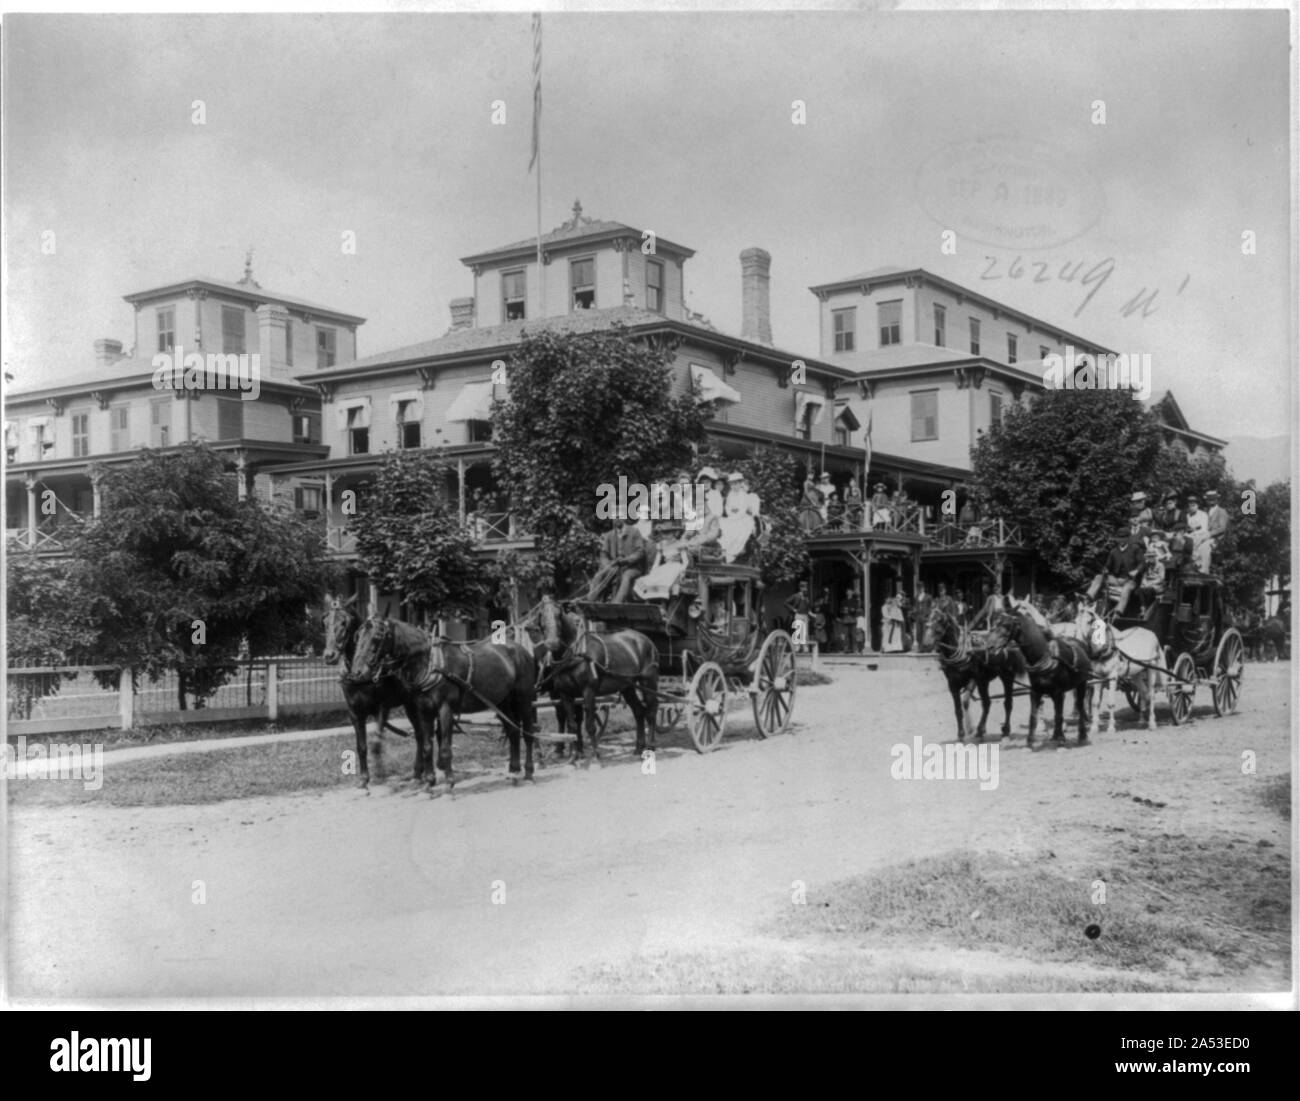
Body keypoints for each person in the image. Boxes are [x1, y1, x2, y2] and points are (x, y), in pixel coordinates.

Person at [587, 515, 651, 603]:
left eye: (619, 516)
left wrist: (626, 560)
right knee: (599, 575)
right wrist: (607, 564)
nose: (616, 519)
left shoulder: (634, 532)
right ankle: (590, 602)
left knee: (626, 576)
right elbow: (603, 554)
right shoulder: (609, 535)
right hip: (615, 567)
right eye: (614, 517)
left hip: (633, 567)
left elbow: (640, 552)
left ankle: (616, 603)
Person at [1084, 526, 1147, 615]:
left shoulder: (1135, 549)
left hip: (1129, 580)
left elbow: (1142, 563)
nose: (1121, 540)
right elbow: (1108, 566)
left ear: (1128, 538)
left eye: (1124, 538)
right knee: (1099, 577)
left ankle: (1118, 612)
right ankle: (1088, 597)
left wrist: (1136, 571)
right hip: (1116, 579)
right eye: (1119, 538)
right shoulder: (1114, 552)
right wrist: (1105, 570)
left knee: (1126, 589)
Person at [719, 471, 761, 563]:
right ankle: (723, 551)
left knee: (740, 531)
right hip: (732, 517)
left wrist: (736, 514)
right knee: (723, 525)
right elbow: (727, 507)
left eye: (736, 484)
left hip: (743, 518)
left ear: (740, 483)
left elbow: (743, 508)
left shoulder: (744, 495)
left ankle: (731, 554)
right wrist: (731, 513)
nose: (734, 486)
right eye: (732, 484)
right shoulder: (730, 495)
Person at [1185, 493, 1211, 573]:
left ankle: (1201, 568)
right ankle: (1189, 567)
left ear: (1197, 505)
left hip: (1201, 535)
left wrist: (1194, 531)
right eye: (1190, 505)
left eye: (1193, 505)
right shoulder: (1187, 515)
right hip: (1190, 535)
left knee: (1200, 546)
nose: (1192, 507)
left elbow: (1203, 529)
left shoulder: (1203, 515)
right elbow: (1186, 528)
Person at [1205, 490, 1229, 570]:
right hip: (1204, 536)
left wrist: (1210, 534)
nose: (1211, 501)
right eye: (1209, 499)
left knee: (1205, 548)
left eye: (1213, 499)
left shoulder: (1221, 511)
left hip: (1216, 540)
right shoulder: (1206, 511)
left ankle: (1205, 570)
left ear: (1217, 500)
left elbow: (1222, 528)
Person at [785, 580, 813, 649]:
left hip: (805, 616)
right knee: (798, 631)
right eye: (804, 587)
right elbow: (786, 602)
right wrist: (793, 609)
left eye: (806, 587)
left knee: (805, 632)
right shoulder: (796, 596)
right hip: (798, 615)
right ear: (801, 588)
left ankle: (805, 647)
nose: (806, 589)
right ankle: (797, 647)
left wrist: (810, 614)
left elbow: (807, 607)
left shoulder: (806, 597)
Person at [914, 583, 933, 652]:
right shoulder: (916, 597)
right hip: (918, 616)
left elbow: (931, 606)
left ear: (923, 588)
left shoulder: (928, 596)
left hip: (925, 616)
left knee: (925, 632)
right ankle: (920, 647)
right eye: (918, 587)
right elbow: (915, 606)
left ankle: (923, 648)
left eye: (921, 587)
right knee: (918, 632)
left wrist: (929, 615)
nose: (919, 589)